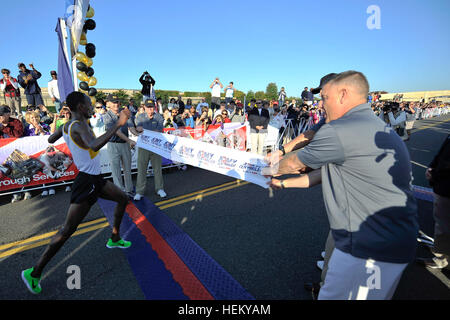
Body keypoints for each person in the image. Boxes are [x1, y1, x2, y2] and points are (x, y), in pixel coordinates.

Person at [265, 71, 418, 300]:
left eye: (324, 98)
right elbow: (326, 173)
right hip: (390, 240)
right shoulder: (373, 124)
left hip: (367, 247)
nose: (320, 105)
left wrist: (256, 167)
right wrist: (285, 185)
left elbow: (293, 164)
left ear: (343, 94)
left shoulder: (341, 129)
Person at [21, 91, 132, 295]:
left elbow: (51, 139)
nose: (92, 107)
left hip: (96, 179)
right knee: (67, 231)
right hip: (86, 181)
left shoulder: (71, 125)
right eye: (89, 104)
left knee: (123, 198)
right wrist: (118, 125)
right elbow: (94, 145)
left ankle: (114, 238)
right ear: (81, 107)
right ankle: (34, 272)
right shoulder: (79, 125)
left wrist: (63, 128)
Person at [416, 134, 450, 269]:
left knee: (444, 226)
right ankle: (439, 249)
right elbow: (443, 152)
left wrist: (435, 175)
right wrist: (432, 167)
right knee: (441, 223)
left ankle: (442, 259)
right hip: (442, 184)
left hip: (446, 187)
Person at [103, 94, 136, 198]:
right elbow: (116, 131)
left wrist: (139, 133)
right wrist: (129, 140)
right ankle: (120, 193)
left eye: (117, 101)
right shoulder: (107, 116)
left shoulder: (124, 113)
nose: (116, 104)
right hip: (113, 144)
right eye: (113, 102)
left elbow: (131, 127)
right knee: (115, 169)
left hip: (125, 144)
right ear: (108, 104)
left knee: (127, 168)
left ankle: (129, 190)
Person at [133, 100, 167, 200]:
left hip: (156, 146)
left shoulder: (159, 117)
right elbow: (139, 128)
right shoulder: (140, 117)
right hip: (144, 146)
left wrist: (145, 131)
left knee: (157, 169)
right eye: (148, 107)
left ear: (154, 107)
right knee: (142, 169)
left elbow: (159, 130)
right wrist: (143, 130)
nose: (150, 109)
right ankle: (139, 191)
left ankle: (159, 188)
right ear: (145, 108)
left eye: (151, 107)